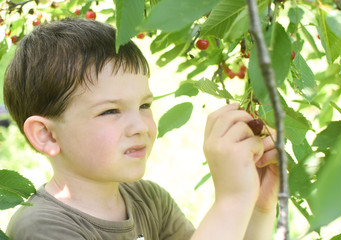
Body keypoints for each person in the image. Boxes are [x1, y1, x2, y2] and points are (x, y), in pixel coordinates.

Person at [3, 18, 279, 240]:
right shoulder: (41, 227)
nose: (140, 127)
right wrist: (232, 199)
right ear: (47, 134)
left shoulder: (149, 200)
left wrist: (257, 208)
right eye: (110, 111)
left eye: (145, 105)